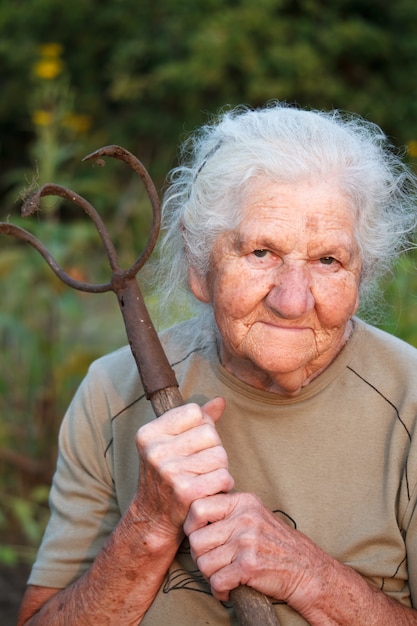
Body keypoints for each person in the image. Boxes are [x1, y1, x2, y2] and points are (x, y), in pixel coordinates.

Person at [18, 102, 417, 625]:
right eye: (261, 253)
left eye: (328, 260)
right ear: (198, 264)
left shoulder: (408, 404)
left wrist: (308, 576)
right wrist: (150, 524)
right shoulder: (111, 394)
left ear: (361, 277)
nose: (293, 300)